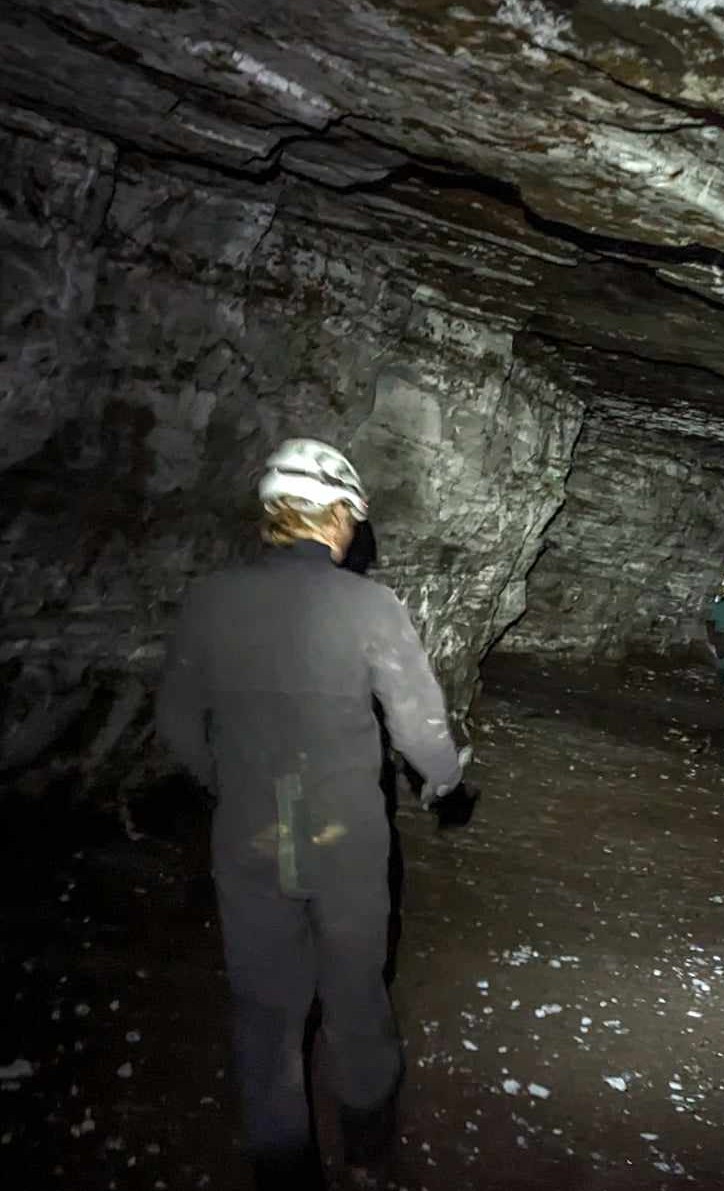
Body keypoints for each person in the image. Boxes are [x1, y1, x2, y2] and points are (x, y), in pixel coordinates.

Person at [156, 438, 470, 1191]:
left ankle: (284, 1169)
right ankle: (366, 1148)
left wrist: (229, 784)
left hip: (251, 835)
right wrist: (444, 778)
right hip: (346, 838)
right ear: (337, 516)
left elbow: (175, 726)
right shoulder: (370, 606)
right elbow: (419, 726)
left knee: (265, 1009)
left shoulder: (211, 599)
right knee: (356, 991)